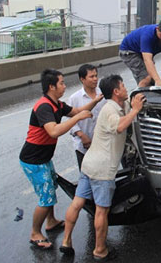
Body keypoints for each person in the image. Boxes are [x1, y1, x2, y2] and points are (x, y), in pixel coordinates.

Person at [60, 75, 145, 260]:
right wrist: (136, 110)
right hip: (102, 170)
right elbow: (120, 126)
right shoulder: (109, 110)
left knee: (77, 203)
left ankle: (66, 241)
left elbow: (131, 104)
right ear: (116, 91)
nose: (125, 88)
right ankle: (100, 250)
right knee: (101, 211)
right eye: (123, 86)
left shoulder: (118, 105)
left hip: (89, 164)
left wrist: (142, 87)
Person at [20, 69, 103, 250]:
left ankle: (51, 221)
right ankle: (35, 233)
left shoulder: (57, 104)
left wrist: (95, 101)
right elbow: (54, 131)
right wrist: (78, 118)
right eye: (62, 83)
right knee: (46, 196)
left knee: (51, 187)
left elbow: (78, 111)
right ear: (52, 86)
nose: (64, 86)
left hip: (43, 158)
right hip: (33, 160)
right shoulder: (44, 106)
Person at [119, 18, 161, 87]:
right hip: (129, 51)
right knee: (146, 78)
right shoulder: (148, 35)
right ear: (157, 29)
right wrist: (157, 80)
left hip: (144, 52)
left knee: (152, 80)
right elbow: (147, 60)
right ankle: (138, 93)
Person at [67, 64, 106, 169]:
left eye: (96, 76)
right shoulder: (74, 98)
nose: (95, 79)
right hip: (83, 146)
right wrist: (82, 135)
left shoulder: (103, 94)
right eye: (91, 77)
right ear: (82, 79)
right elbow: (71, 121)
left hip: (103, 144)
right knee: (86, 173)